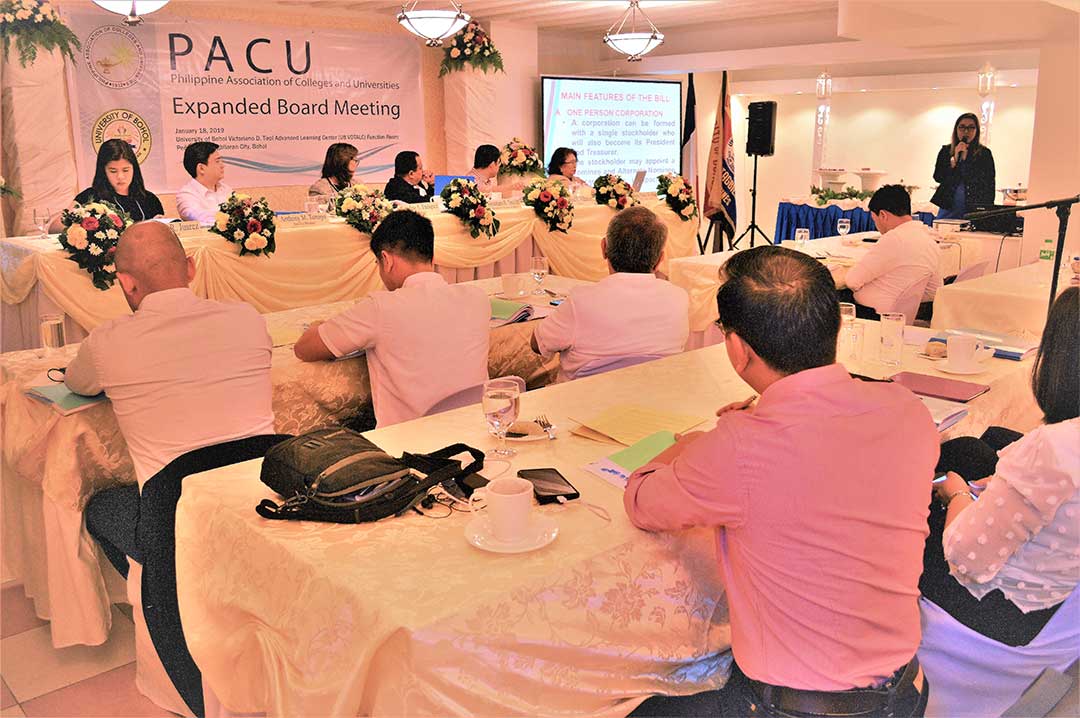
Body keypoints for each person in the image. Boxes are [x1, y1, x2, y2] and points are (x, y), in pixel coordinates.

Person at [625, 245, 937, 717]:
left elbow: (642, 500)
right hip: (908, 691)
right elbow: (829, 467)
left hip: (795, 709)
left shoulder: (738, 446)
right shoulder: (908, 410)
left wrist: (689, 444)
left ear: (737, 349)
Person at [67, 221, 274, 716]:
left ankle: (152, 583)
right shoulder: (246, 318)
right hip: (259, 496)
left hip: (177, 522)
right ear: (192, 268)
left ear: (125, 282)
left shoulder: (109, 341)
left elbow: (78, 382)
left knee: (102, 506)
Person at [922, 285, 1079, 644]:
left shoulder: (1053, 448)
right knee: (969, 449)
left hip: (1003, 611)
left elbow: (964, 558)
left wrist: (957, 495)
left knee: (901, 518)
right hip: (1054, 599)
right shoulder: (1057, 446)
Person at [294, 209, 489, 426]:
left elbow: (305, 349)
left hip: (410, 441)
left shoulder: (381, 308)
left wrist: (316, 325)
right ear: (432, 258)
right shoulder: (478, 298)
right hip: (474, 430)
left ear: (386, 260)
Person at [531, 206, 688, 381]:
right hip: (657, 394)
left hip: (583, 397)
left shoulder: (581, 301)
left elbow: (537, 344)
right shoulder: (679, 298)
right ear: (660, 260)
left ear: (604, 248)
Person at [841, 184, 942, 319]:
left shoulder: (894, 239)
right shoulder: (930, 241)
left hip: (873, 315)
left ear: (883, 215)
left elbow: (852, 281)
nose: (877, 227)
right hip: (907, 315)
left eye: (874, 220)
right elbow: (933, 291)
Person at [51, 139, 165, 232]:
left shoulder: (150, 199)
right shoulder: (90, 197)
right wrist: (86, 225)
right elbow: (54, 228)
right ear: (103, 171)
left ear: (134, 169)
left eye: (126, 170)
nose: (120, 176)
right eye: (113, 171)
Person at [931, 113, 996, 219]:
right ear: (956, 130)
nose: (966, 131)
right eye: (962, 127)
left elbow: (989, 183)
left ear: (977, 131)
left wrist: (988, 209)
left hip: (974, 207)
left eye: (971, 127)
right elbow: (938, 177)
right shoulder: (946, 151)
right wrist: (955, 159)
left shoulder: (984, 153)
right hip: (948, 205)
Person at [175, 141, 233, 224]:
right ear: (201, 168)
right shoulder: (186, 195)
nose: (223, 165)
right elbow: (201, 219)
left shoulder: (226, 190)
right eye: (217, 161)